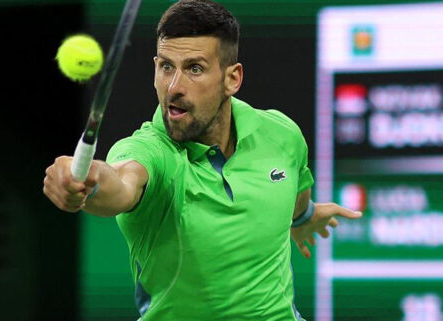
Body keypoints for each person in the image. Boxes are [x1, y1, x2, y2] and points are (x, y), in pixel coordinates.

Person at [43, 0, 362, 320]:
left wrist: (303, 216)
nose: (174, 87)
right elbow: (121, 183)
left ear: (232, 79)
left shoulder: (281, 134)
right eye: (166, 67)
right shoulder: (150, 152)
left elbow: (292, 193)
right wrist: (87, 181)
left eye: (194, 68)